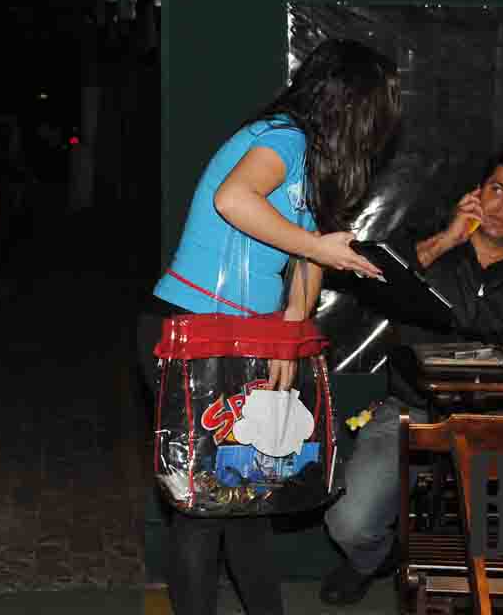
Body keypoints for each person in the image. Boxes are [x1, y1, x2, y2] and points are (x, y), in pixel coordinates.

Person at [142, 38, 402, 615]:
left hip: (245, 334)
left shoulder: (315, 161)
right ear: (347, 101)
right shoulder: (280, 137)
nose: (383, 122)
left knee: (248, 502)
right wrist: (316, 247)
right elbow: (236, 201)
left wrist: (290, 334)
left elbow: (309, 261)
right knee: (204, 506)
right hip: (192, 328)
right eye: (378, 106)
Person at [320, 147, 503, 606]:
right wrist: (445, 240)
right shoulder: (429, 245)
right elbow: (367, 280)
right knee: (350, 521)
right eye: (496, 190)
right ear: (476, 192)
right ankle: (371, 561)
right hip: (415, 409)